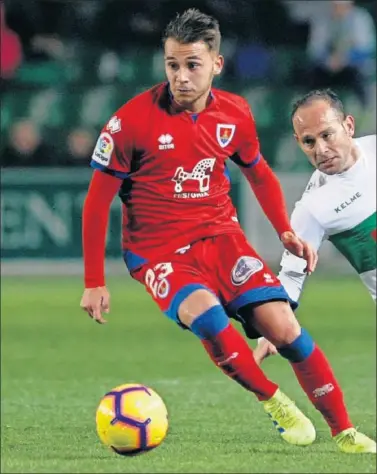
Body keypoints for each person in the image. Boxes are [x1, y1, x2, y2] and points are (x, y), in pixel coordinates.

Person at [80, 9, 375, 453]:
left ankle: (344, 431)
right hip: (158, 252)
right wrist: (93, 282)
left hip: (221, 237)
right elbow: (96, 202)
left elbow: (258, 174)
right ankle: (273, 401)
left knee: (285, 328)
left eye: (192, 65)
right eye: (172, 65)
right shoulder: (130, 123)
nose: (181, 77)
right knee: (209, 317)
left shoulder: (235, 113)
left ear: (216, 64)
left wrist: (284, 233)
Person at [254, 89, 376, 359]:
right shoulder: (313, 207)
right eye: (309, 141)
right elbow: (291, 274)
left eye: (327, 135)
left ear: (349, 126)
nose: (320, 149)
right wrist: (270, 331)